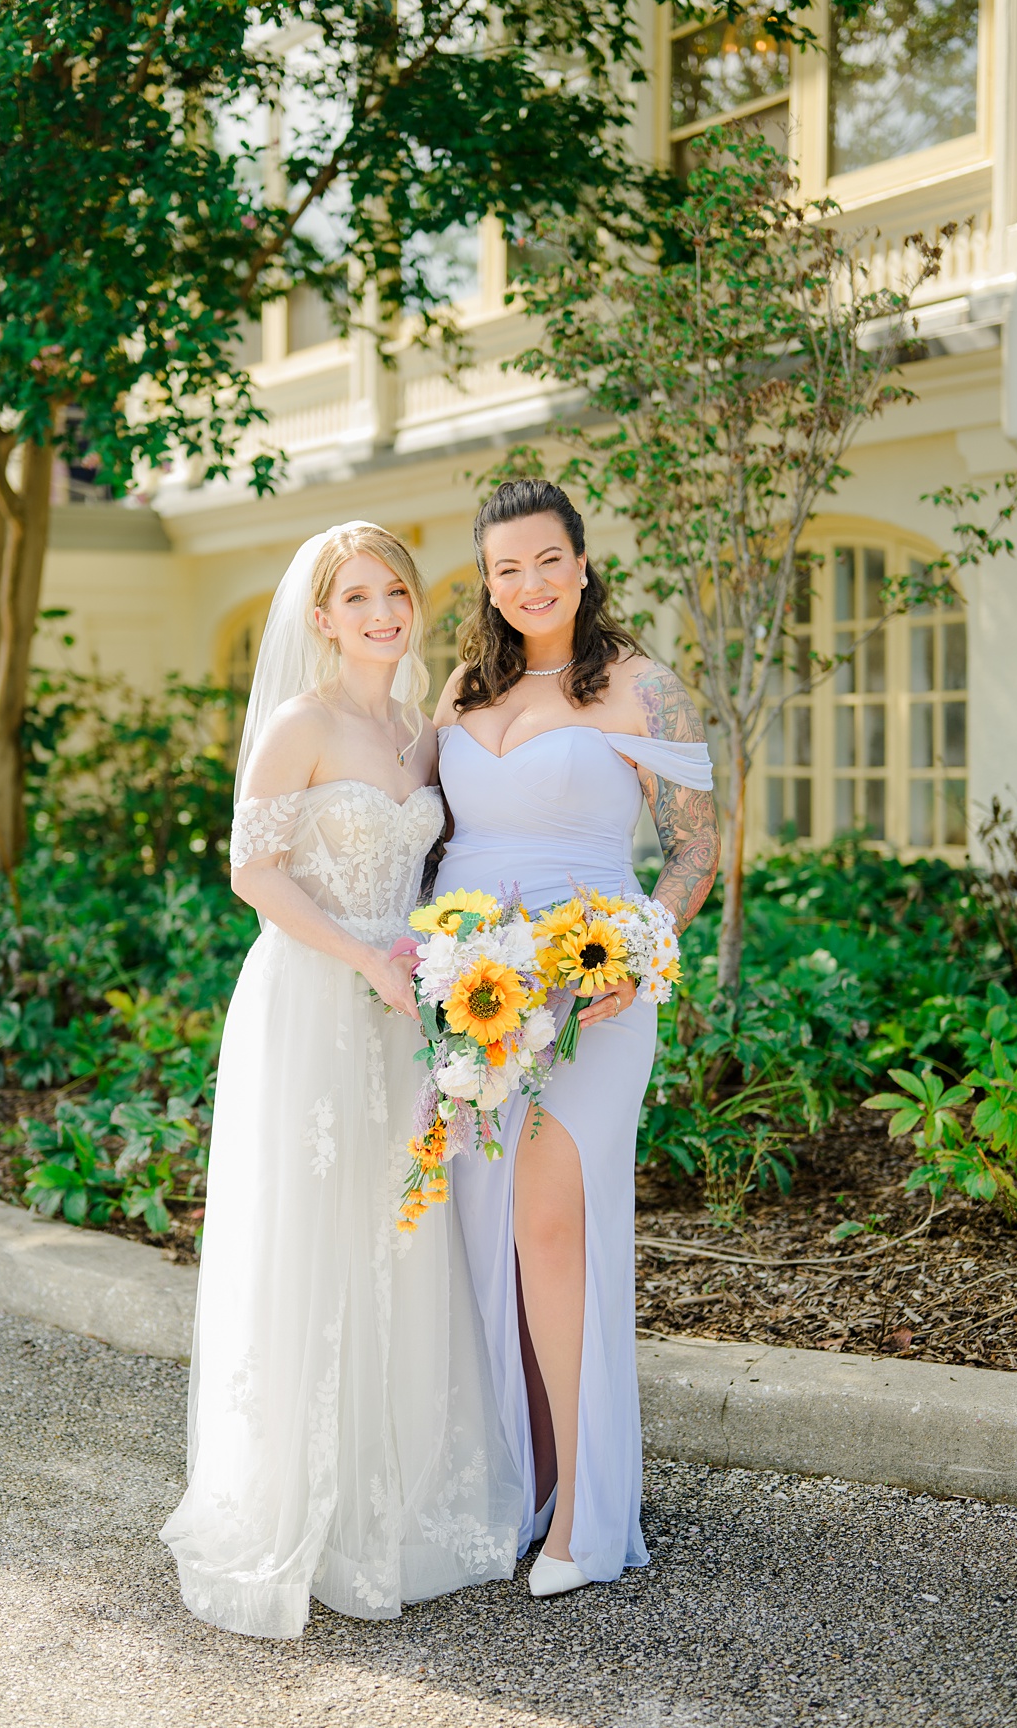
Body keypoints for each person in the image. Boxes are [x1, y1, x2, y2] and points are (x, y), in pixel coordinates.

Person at [161, 521, 525, 1638]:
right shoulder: (298, 723)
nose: (381, 611)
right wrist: (364, 954)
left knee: (397, 1232)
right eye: (356, 596)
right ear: (320, 618)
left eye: (395, 592)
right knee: (316, 1233)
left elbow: (430, 848)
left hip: (400, 1006)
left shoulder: (414, 727)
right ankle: (304, 1508)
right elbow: (251, 869)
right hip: (316, 997)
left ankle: (398, 1492)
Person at [435, 478, 718, 1597]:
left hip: (592, 982)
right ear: (488, 581)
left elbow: (694, 849)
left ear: (584, 562)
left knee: (553, 1224)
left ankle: (587, 1523)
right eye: (507, 568)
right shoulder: (462, 686)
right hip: (469, 991)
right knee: (484, 1238)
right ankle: (526, 1483)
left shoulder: (642, 687)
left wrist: (639, 950)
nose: (530, 584)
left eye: (548, 560)